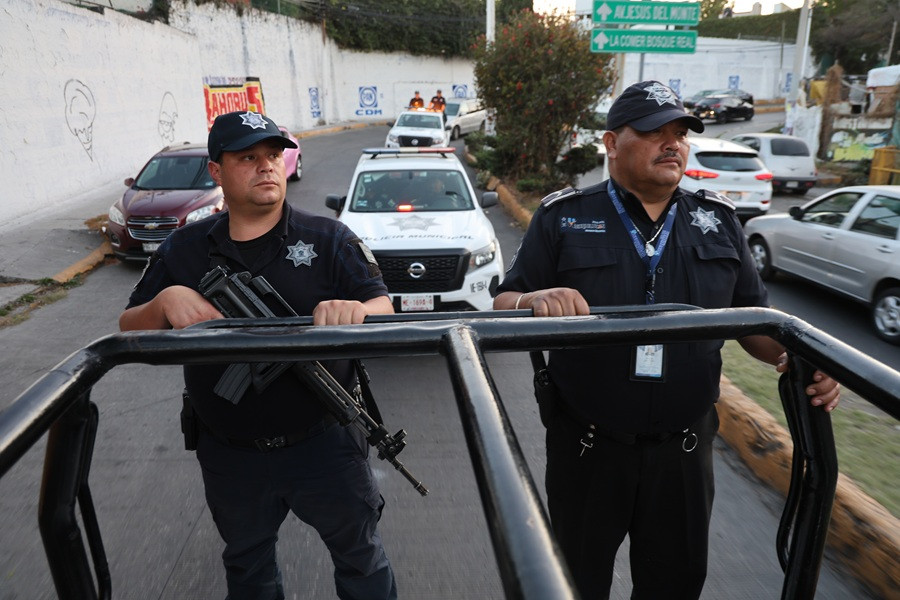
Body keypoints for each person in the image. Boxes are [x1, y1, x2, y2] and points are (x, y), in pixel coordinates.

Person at [493, 81, 840, 600]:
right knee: (570, 584)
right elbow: (504, 302)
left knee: (674, 586)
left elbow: (754, 321)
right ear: (611, 143)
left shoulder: (717, 220)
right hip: (588, 449)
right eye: (655, 132)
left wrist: (797, 355)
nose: (672, 143)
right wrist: (534, 300)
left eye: (680, 133)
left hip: (685, 449)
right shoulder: (563, 216)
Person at [119, 110, 398, 600]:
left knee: (361, 560)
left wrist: (357, 308)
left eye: (273, 155)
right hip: (230, 452)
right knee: (248, 570)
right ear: (216, 172)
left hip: (325, 446)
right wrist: (164, 303)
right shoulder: (183, 250)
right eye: (248, 157)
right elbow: (127, 325)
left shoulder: (329, 239)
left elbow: (383, 306)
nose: (267, 166)